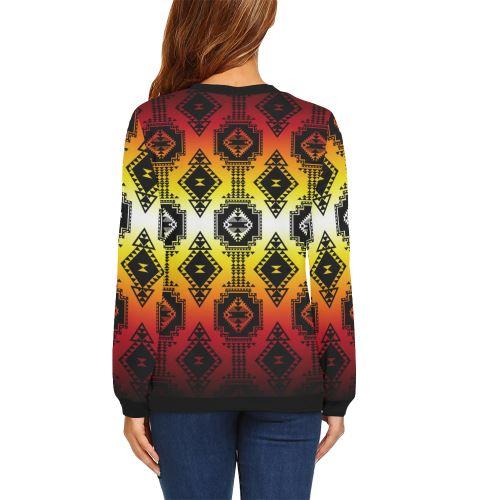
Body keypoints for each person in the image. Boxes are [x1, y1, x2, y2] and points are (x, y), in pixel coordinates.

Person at [112, 1, 356, 498]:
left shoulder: (155, 123)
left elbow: (138, 270)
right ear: (264, 20)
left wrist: (131, 393)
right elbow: (332, 271)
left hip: (184, 378)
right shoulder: (314, 126)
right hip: (290, 375)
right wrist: (339, 388)